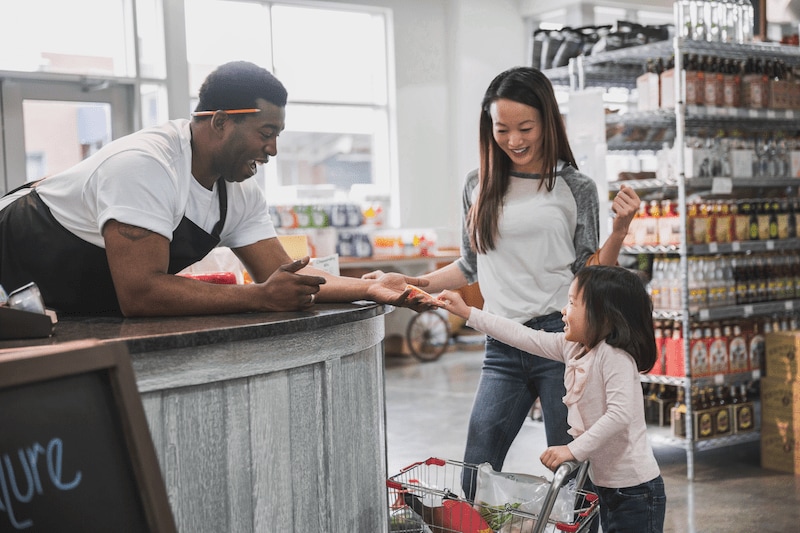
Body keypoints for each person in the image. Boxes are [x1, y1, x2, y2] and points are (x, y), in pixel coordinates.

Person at [364, 66, 640, 492]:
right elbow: (469, 266)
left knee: (572, 476)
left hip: (561, 341)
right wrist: (410, 281)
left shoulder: (574, 187)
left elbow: (592, 274)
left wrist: (619, 230)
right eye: (502, 129)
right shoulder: (478, 185)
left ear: (548, 121)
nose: (514, 140)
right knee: (477, 467)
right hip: (501, 343)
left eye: (526, 127)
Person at [0, 61, 434, 317]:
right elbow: (140, 292)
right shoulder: (145, 166)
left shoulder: (239, 192)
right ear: (221, 121)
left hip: (56, 302)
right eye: (266, 132)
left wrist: (372, 287)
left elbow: (285, 275)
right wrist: (259, 298)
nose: (274, 149)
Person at [437, 265, 666, 533]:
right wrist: (468, 312)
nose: (563, 311)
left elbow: (619, 415)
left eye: (572, 303)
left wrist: (572, 449)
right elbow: (523, 336)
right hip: (607, 485)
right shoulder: (573, 348)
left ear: (604, 315)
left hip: (635, 491)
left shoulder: (614, 358)